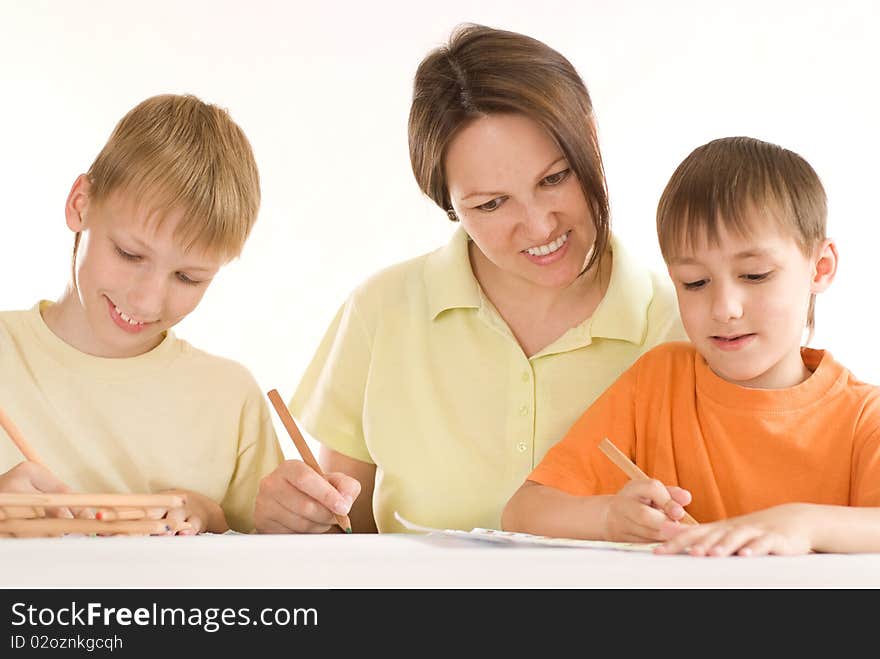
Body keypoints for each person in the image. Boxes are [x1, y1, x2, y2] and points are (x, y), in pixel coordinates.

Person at [254, 24, 685, 534]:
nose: (540, 226)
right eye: (492, 204)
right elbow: (346, 532)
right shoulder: (382, 312)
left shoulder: (681, 328)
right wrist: (297, 517)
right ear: (449, 204)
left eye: (554, 178)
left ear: (590, 138)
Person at [502, 136, 880, 556]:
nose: (724, 308)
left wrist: (803, 523)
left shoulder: (864, 417)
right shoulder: (657, 384)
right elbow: (523, 511)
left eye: (755, 275)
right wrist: (609, 517)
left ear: (820, 268)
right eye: (695, 283)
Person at [0, 94, 284, 534]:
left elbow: (273, 574)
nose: (148, 302)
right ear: (80, 204)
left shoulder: (230, 399)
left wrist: (214, 519)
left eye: (188, 278)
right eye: (130, 254)